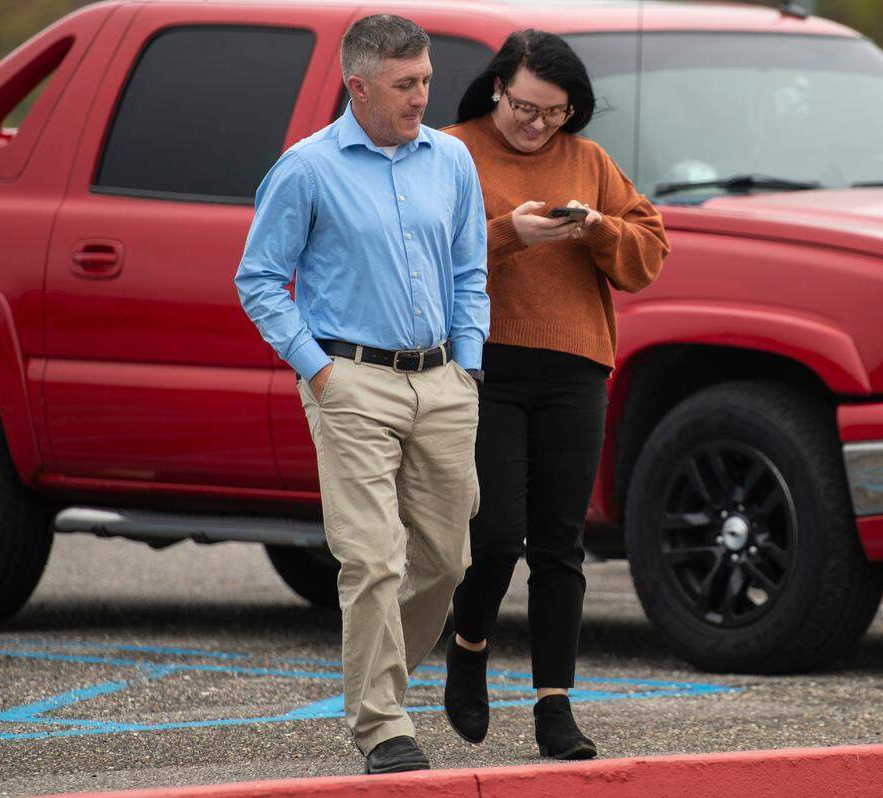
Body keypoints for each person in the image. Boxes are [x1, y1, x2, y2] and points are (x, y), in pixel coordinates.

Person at [234, 14, 488, 775]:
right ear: (360, 87)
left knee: (445, 560)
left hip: (443, 382)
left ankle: (384, 684)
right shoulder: (306, 169)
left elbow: (472, 271)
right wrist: (319, 370)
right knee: (372, 557)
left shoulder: (452, 160)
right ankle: (382, 725)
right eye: (406, 85)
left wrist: (466, 367)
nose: (422, 96)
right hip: (351, 383)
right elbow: (258, 280)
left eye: (426, 81)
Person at [442, 30, 669, 760]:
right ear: (497, 86)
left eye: (555, 113)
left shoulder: (591, 160)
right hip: (487, 365)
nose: (535, 125)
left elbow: (648, 255)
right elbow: (421, 252)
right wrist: (513, 232)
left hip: (575, 366)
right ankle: (469, 644)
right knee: (498, 533)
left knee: (560, 545)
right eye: (522, 107)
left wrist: (598, 227)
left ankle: (553, 706)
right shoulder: (453, 150)